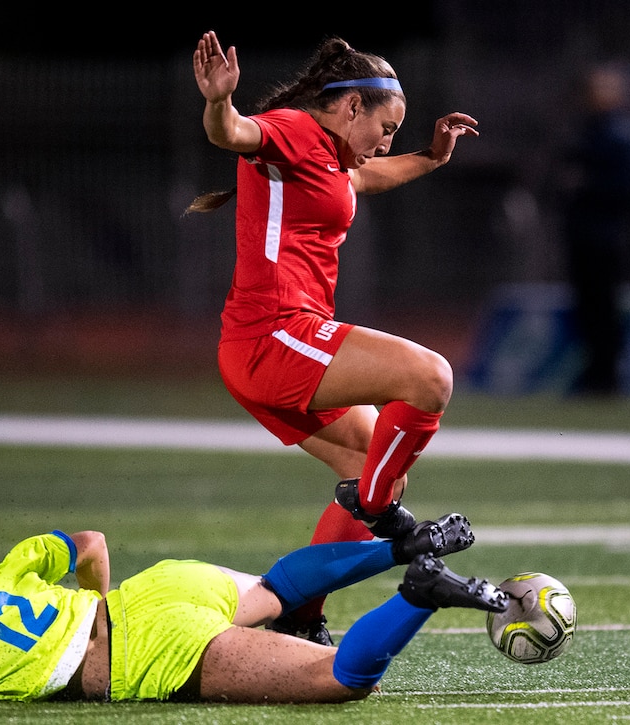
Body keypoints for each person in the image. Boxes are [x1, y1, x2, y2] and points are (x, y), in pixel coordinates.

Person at [187, 31, 481, 643]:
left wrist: (430, 155)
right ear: (351, 107)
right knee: (430, 378)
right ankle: (374, 509)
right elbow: (235, 134)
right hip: (272, 336)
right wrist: (219, 103)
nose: (385, 141)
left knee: (376, 462)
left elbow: (367, 178)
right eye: (388, 126)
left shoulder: (332, 157)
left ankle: (301, 613)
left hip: (284, 343)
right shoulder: (294, 129)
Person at [0, 526, 507, 704]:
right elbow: (90, 541)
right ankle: (403, 542)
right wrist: (103, 601)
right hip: (156, 590)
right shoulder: (2, 570)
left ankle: (419, 591)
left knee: (342, 679)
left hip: (152, 654)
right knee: (277, 587)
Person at [559, 60, 630, 396]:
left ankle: (607, 378)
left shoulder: (621, 135)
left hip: (606, 235)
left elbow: (626, 188)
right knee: (588, 308)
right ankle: (595, 375)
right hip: (584, 233)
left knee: (604, 307)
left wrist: (584, 185)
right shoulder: (590, 130)